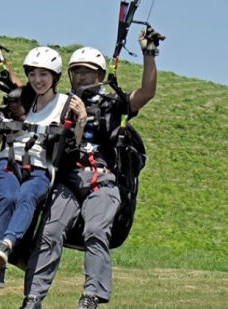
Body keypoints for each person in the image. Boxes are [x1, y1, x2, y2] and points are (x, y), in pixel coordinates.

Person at [19, 24, 162, 309]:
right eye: (77, 71)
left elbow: (146, 92)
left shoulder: (113, 104)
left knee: (96, 231)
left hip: (103, 181)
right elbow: (25, 93)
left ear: (99, 75)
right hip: (68, 181)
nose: (82, 76)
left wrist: (149, 54)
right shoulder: (58, 103)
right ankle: (32, 298)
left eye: (88, 71)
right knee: (50, 232)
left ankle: (91, 297)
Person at [0, 46, 86, 289]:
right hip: (8, 162)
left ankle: (5, 246)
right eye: (33, 74)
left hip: (40, 168)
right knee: (7, 196)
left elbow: (74, 146)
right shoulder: (18, 99)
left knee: (27, 196)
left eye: (43, 75)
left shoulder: (66, 104)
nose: (37, 80)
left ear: (55, 77)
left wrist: (82, 121)